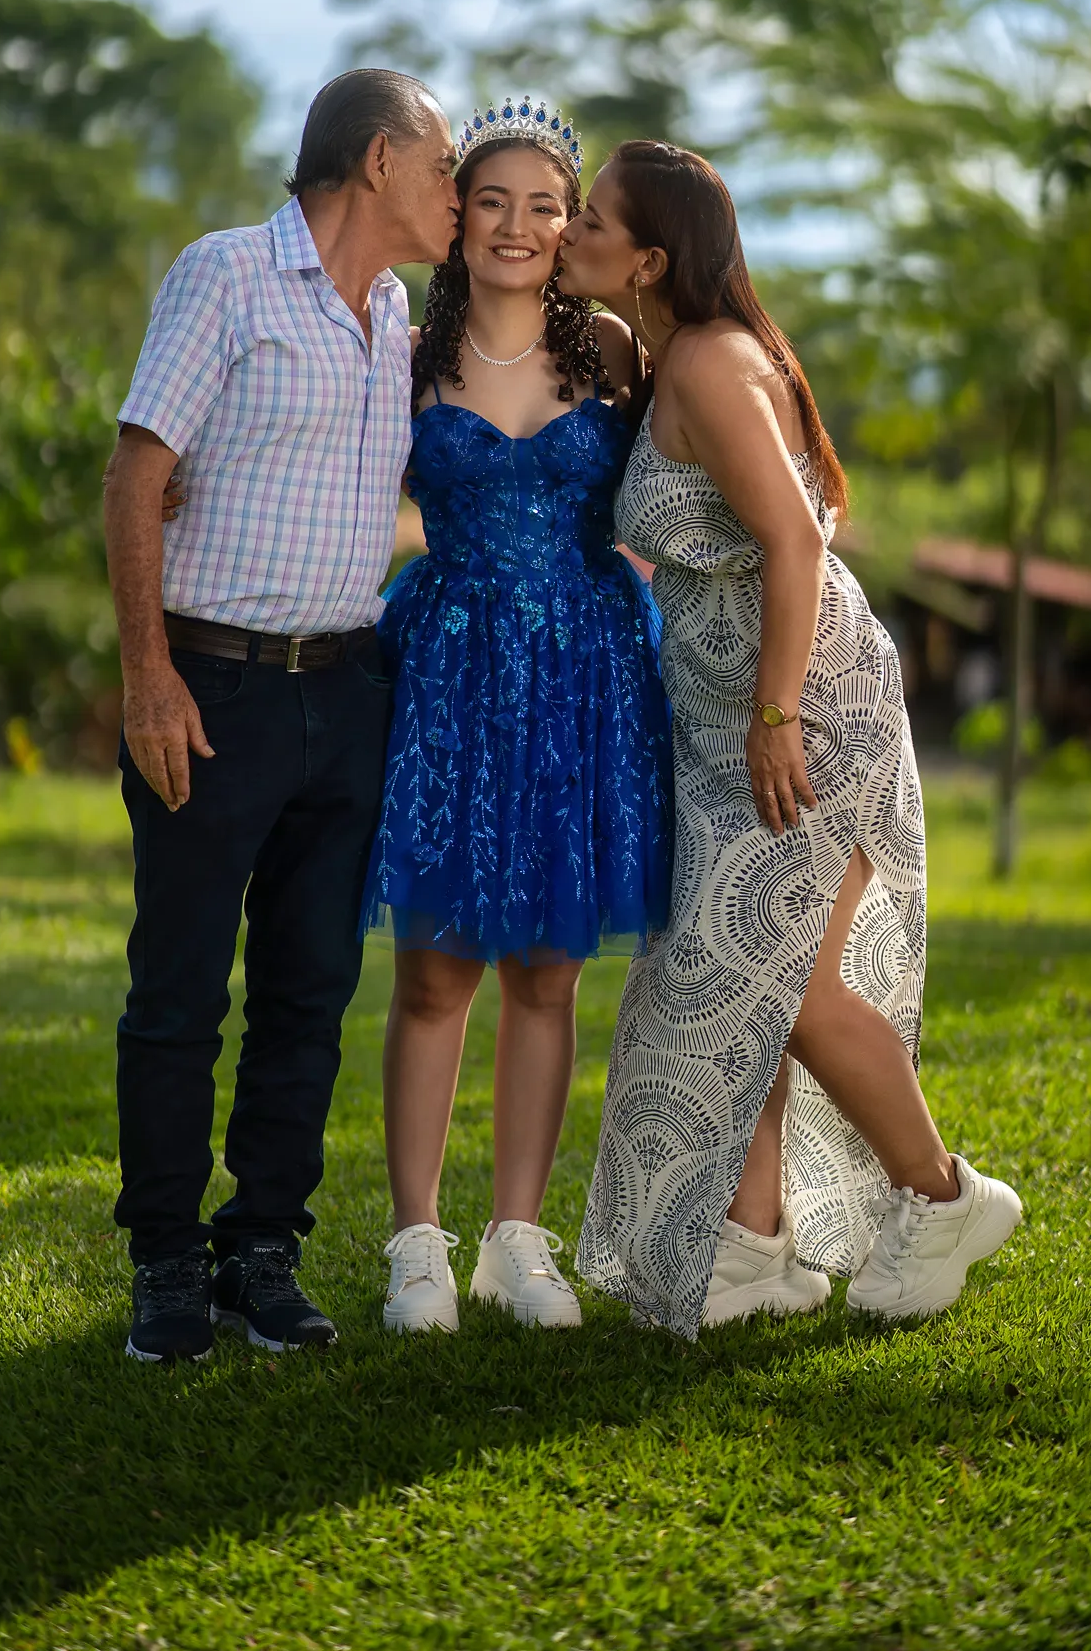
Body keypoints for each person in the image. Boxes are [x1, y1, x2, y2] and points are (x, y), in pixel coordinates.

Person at [558, 140, 1021, 1339]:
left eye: (591, 218)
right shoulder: (664, 355)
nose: (570, 230)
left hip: (804, 715)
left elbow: (798, 542)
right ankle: (754, 1246)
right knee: (736, 975)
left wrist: (773, 716)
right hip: (725, 725)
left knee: (793, 986)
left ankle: (945, 1197)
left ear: (649, 258)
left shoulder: (713, 363)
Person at [103, 68, 459, 1364]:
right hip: (216, 691)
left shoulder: (396, 312)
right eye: (444, 166)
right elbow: (136, 472)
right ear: (378, 160)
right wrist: (149, 676)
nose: (457, 191)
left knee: (308, 993)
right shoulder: (226, 275)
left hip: (350, 691)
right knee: (180, 992)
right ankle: (163, 1259)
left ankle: (262, 1247)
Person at [363, 101, 674, 1336]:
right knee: (436, 967)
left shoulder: (614, 349)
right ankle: (415, 1242)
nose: (517, 224)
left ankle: (516, 1238)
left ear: (569, 224)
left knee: (549, 970)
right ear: (456, 217)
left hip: (587, 677)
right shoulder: (406, 354)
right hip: (453, 675)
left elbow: (692, 464)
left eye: (545, 205)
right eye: (491, 199)